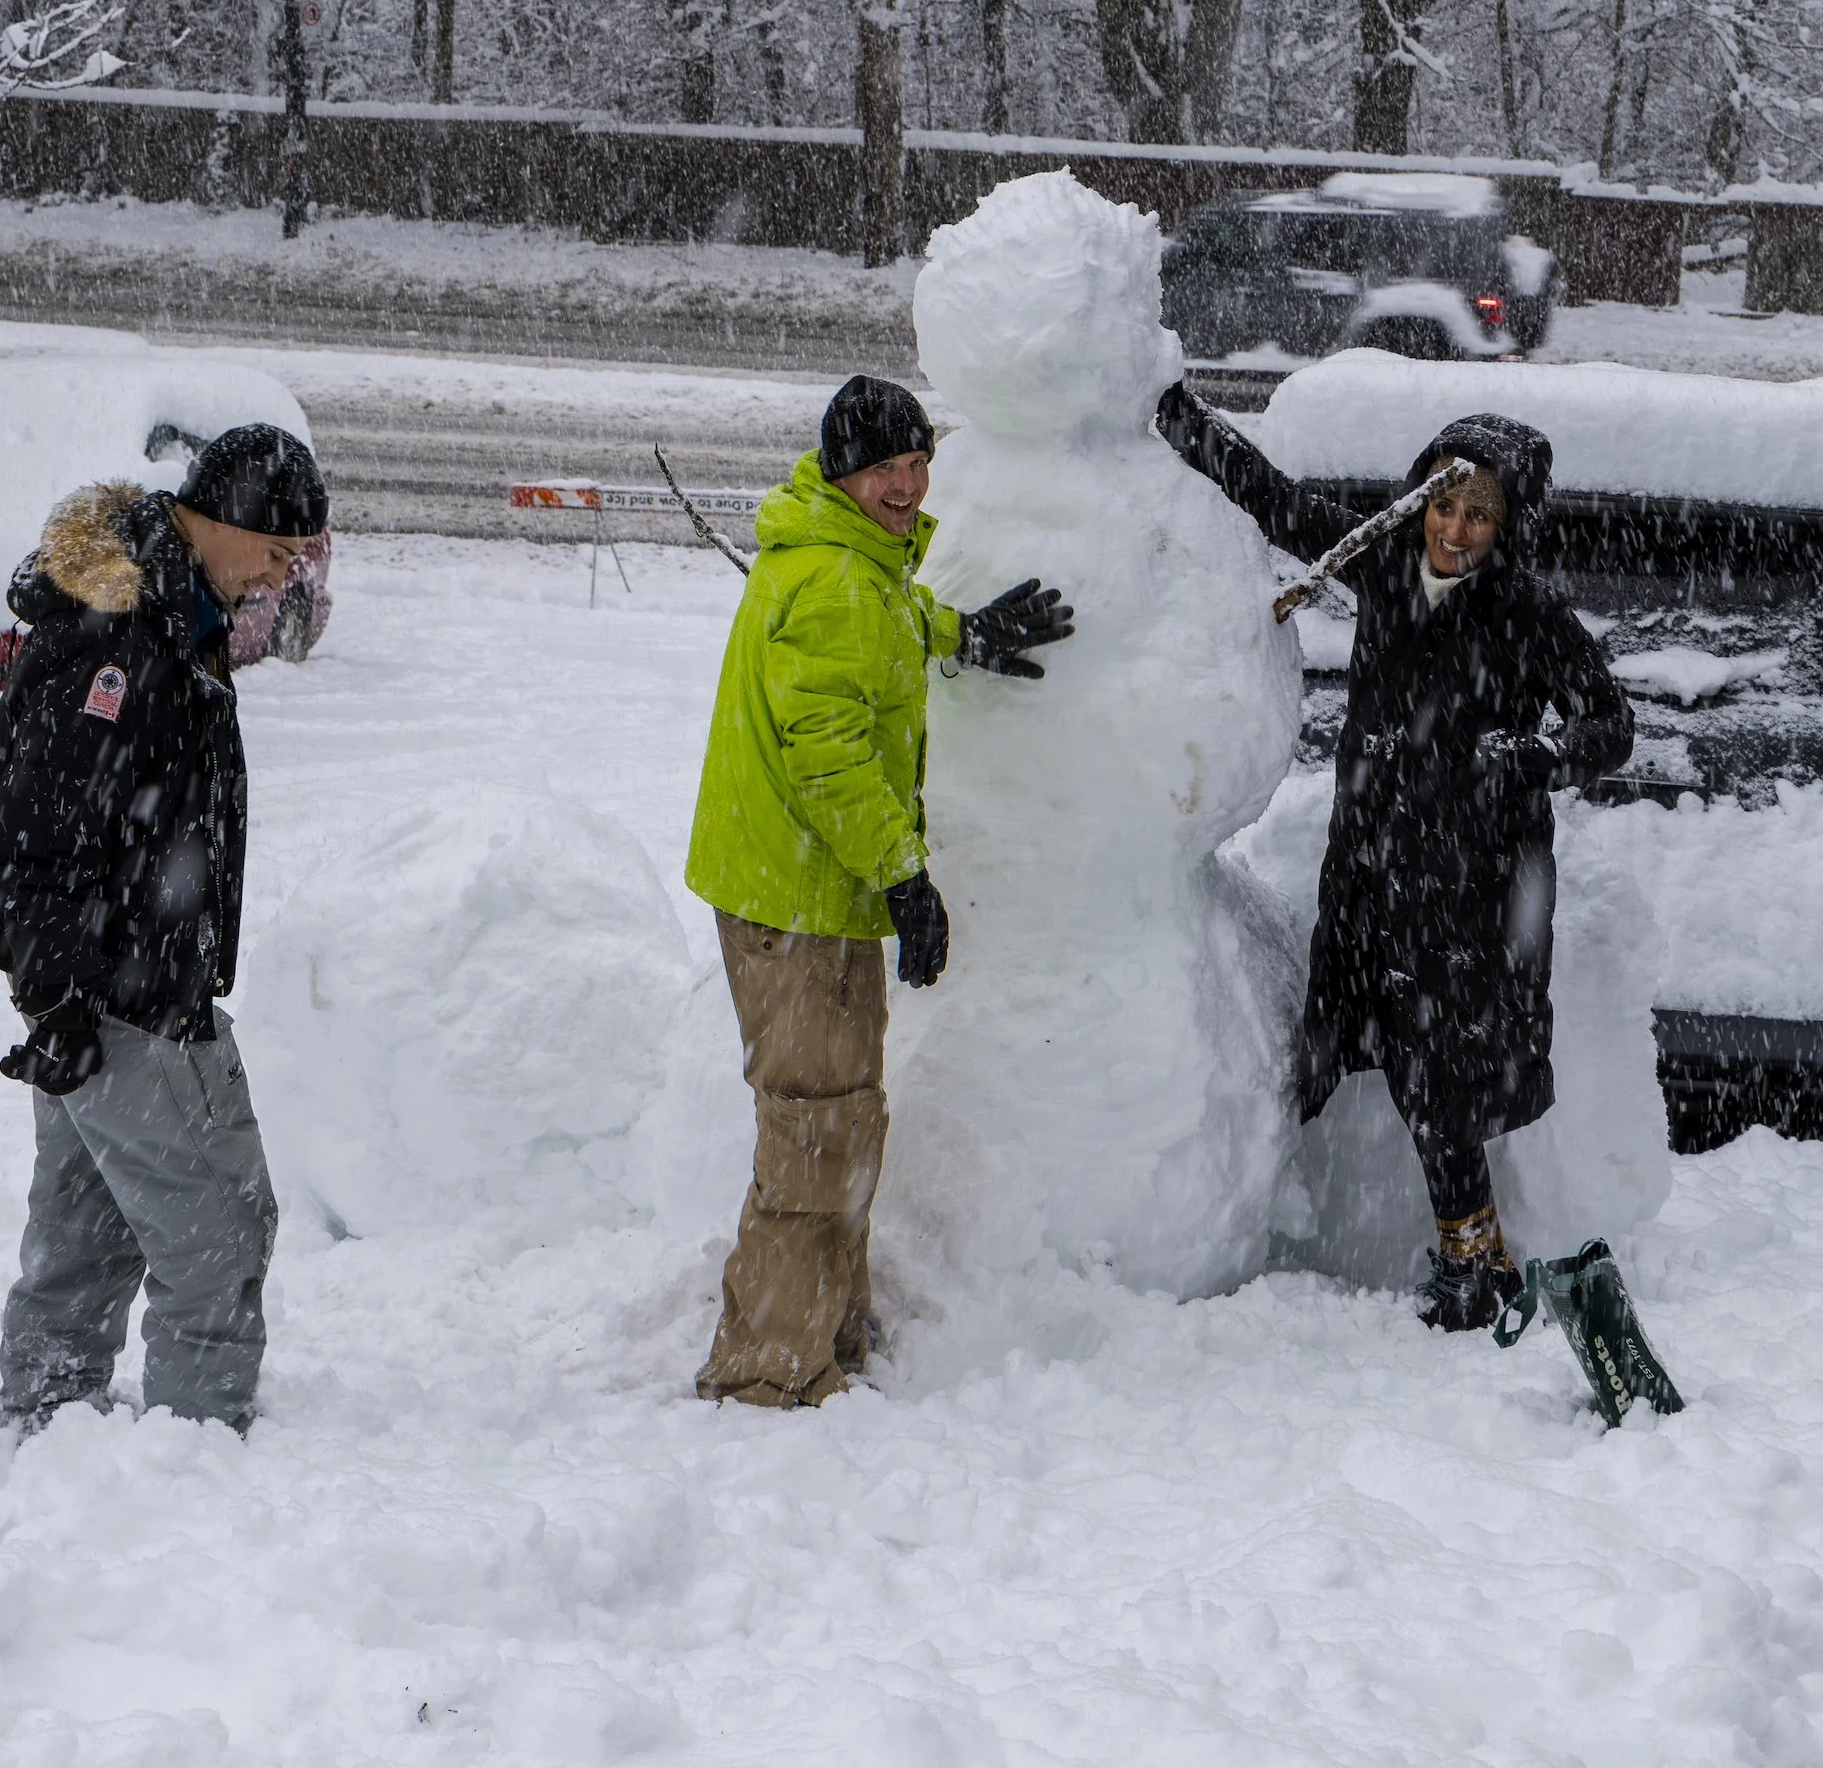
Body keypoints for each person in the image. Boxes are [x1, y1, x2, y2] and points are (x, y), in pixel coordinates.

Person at [1157, 394, 1633, 1330]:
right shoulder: (1382, 561)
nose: (1454, 530)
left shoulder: (1527, 614)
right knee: (1331, 1041)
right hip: (1375, 865)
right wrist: (1179, 414)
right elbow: (1276, 500)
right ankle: (1243, 1207)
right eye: (1444, 506)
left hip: (1475, 887)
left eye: (1479, 515)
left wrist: (1538, 757)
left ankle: (1473, 1258)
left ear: (1507, 525)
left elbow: (1611, 725)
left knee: (1439, 1066)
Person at [686, 374, 1074, 1406]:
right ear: (842, 470)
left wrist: (965, 635)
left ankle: (826, 1336)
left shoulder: (848, 557)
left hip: (802, 891)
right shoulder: (835, 582)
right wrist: (906, 877)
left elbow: (889, 624)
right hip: (799, 900)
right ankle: (766, 1370)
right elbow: (831, 759)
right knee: (815, 1134)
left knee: (840, 1121)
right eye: (883, 469)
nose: (905, 485)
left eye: (915, 463)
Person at [0, 424, 330, 1434]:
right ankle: (198, 1456)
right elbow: (17, 838)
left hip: (104, 984)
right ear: (216, 519)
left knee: (90, 1227)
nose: (283, 576)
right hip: (124, 993)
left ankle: (42, 1420)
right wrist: (65, 994)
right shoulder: (118, 637)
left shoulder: (168, 608)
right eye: (278, 551)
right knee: (218, 1230)